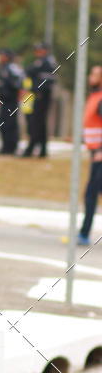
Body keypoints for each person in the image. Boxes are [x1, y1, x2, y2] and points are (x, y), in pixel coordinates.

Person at [78, 65, 102, 245]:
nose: (90, 76)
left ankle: (84, 234)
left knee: (91, 193)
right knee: (91, 193)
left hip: (100, 155)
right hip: (95, 153)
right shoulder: (94, 96)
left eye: (94, 74)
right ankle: (83, 233)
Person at [22, 42, 58, 158]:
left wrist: (38, 90)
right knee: (39, 123)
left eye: (39, 50)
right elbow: (29, 71)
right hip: (37, 95)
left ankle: (32, 148)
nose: (37, 53)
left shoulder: (48, 62)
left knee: (37, 123)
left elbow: (47, 80)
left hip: (42, 96)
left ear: (45, 50)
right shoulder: (40, 62)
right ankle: (42, 150)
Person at [0, 49, 24, 155]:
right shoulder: (2, 68)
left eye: (2, 55)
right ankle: (5, 146)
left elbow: (19, 83)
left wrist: (18, 94)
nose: (0, 58)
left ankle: (11, 147)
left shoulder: (13, 68)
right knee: (2, 124)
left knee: (10, 124)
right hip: (3, 101)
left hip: (11, 101)